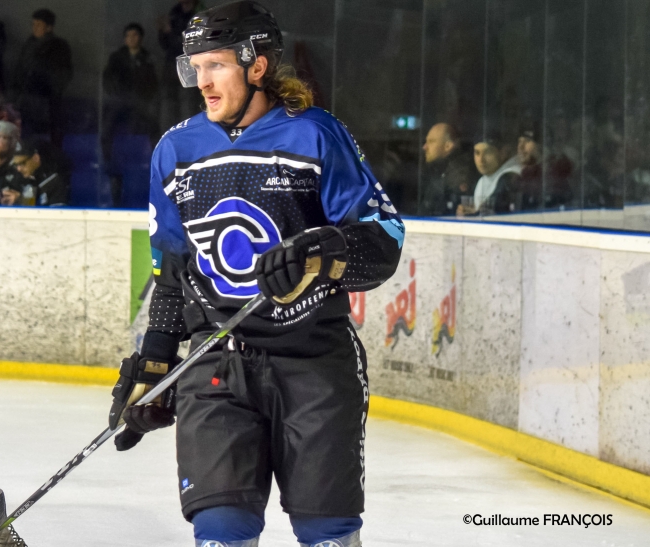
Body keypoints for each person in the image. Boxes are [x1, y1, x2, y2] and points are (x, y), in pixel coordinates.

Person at [107, 3, 405, 546]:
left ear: (257, 66)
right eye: (194, 67)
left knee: (327, 532)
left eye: (215, 65)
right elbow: (173, 273)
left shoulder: (316, 135)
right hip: (217, 365)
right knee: (221, 529)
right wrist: (154, 359)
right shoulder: (175, 151)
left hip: (314, 362)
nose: (202, 81)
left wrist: (323, 255)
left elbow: (384, 244)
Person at [102, 22, 159, 206]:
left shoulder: (148, 58)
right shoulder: (116, 57)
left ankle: (157, 165)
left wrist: (140, 99)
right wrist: (121, 96)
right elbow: (108, 81)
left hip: (140, 106)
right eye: (128, 36)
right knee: (106, 129)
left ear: (140, 38)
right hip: (119, 103)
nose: (131, 39)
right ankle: (108, 165)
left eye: (135, 35)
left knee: (154, 128)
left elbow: (152, 84)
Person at [11, 8, 72, 146]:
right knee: (27, 138)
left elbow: (63, 74)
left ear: (49, 27)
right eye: (33, 24)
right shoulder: (29, 44)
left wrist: (51, 91)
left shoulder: (59, 46)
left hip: (47, 100)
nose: (35, 28)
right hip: (27, 98)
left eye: (39, 25)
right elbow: (20, 69)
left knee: (47, 138)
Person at [157, 0, 206, 129]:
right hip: (171, 64)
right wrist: (163, 31)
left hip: (192, 63)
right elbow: (165, 45)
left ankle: (187, 133)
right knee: (167, 101)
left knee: (188, 101)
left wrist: (170, 33)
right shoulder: (174, 12)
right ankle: (167, 135)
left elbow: (193, 44)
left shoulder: (201, 13)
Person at [457, 134, 521, 216]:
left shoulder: (510, 177)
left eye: (487, 152)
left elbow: (500, 214)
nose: (481, 160)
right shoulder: (484, 178)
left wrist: (474, 214)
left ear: (503, 153)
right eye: (477, 153)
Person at [420, 122, 475, 216]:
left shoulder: (458, 175)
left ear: (448, 146)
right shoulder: (437, 170)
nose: (424, 147)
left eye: (431, 141)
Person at [11, 138, 69, 206]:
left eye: (22, 163)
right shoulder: (18, 179)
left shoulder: (54, 181)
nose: (19, 169)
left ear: (36, 158)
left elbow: (57, 214)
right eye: (16, 165)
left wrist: (21, 200)